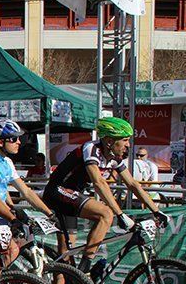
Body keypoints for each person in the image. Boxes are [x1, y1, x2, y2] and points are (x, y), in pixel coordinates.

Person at [43, 117, 169, 273]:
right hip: (57, 191)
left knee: (66, 258)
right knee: (106, 214)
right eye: (125, 140)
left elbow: (133, 184)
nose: (128, 145)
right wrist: (120, 214)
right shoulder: (91, 149)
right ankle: (85, 269)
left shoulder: (114, 158)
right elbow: (99, 183)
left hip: (73, 196)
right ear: (109, 141)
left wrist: (156, 211)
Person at [0, 118, 56, 230]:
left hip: (4, 214)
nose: (19, 142)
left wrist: (50, 214)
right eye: (14, 138)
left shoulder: (7, 162)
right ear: (0, 142)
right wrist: (12, 217)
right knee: (13, 247)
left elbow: (26, 191)